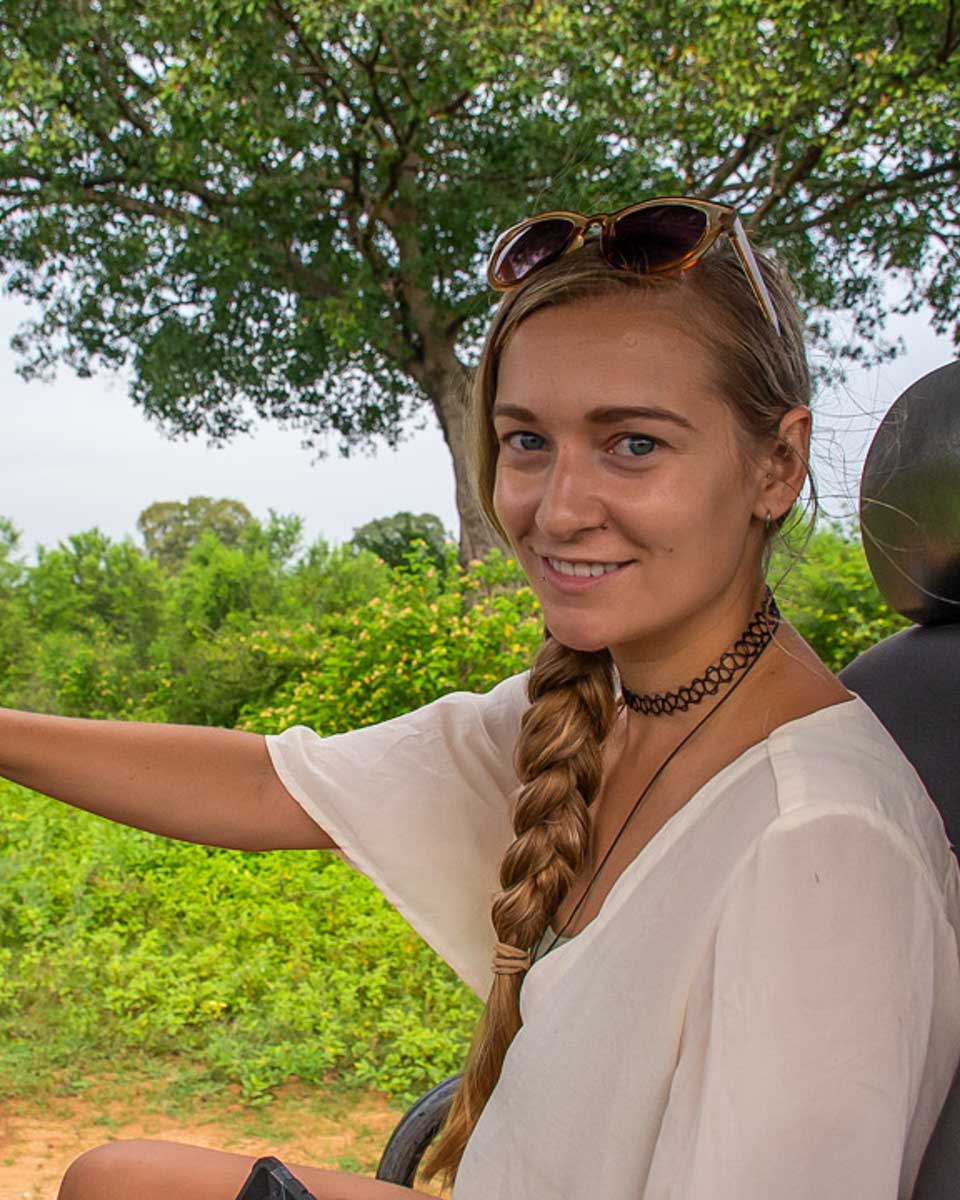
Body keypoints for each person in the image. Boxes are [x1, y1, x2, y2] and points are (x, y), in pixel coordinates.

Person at [2, 198, 958, 1200]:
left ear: (776, 465)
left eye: (633, 444)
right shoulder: (601, 712)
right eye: (528, 441)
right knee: (116, 1179)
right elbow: (269, 786)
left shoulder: (820, 846)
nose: (558, 508)